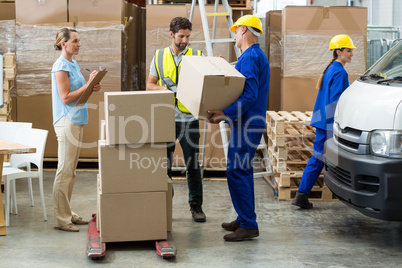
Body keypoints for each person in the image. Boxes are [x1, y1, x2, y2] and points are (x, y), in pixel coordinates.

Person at [208, 15, 270, 241]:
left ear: (243, 30)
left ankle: (249, 224)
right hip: (247, 123)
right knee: (241, 171)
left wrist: (224, 114)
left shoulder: (251, 56)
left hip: (246, 124)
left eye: (236, 31)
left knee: (237, 170)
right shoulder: (252, 56)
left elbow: (250, 95)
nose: (234, 35)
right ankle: (244, 218)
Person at [146, 17, 206, 222]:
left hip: (190, 118)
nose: (185, 40)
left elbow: (208, 82)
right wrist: (164, 89)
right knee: (165, 164)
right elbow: (149, 85)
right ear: (171, 34)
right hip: (166, 118)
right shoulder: (159, 55)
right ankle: (165, 205)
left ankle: (196, 206)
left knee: (193, 164)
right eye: (181, 36)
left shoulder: (198, 55)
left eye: (188, 36)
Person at [291, 34, 355, 209]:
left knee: (322, 157)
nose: (351, 54)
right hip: (328, 122)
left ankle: (302, 194)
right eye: (348, 50)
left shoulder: (331, 69)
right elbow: (336, 101)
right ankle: (302, 194)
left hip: (322, 120)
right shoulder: (340, 72)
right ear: (338, 51)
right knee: (321, 157)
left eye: (351, 50)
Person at [52, 28, 101, 232]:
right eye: (75, 41)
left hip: (77, 119)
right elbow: (66, 97)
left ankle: (67, 212)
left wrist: (92, 87)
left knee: (71, 172)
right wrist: (88, 83)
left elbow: (79, 94)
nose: (79, 44)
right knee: (64, 170)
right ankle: (62, 219)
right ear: (63, 43)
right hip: (66, 122)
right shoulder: (60, 66)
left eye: (79, 41)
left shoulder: (73, 63)